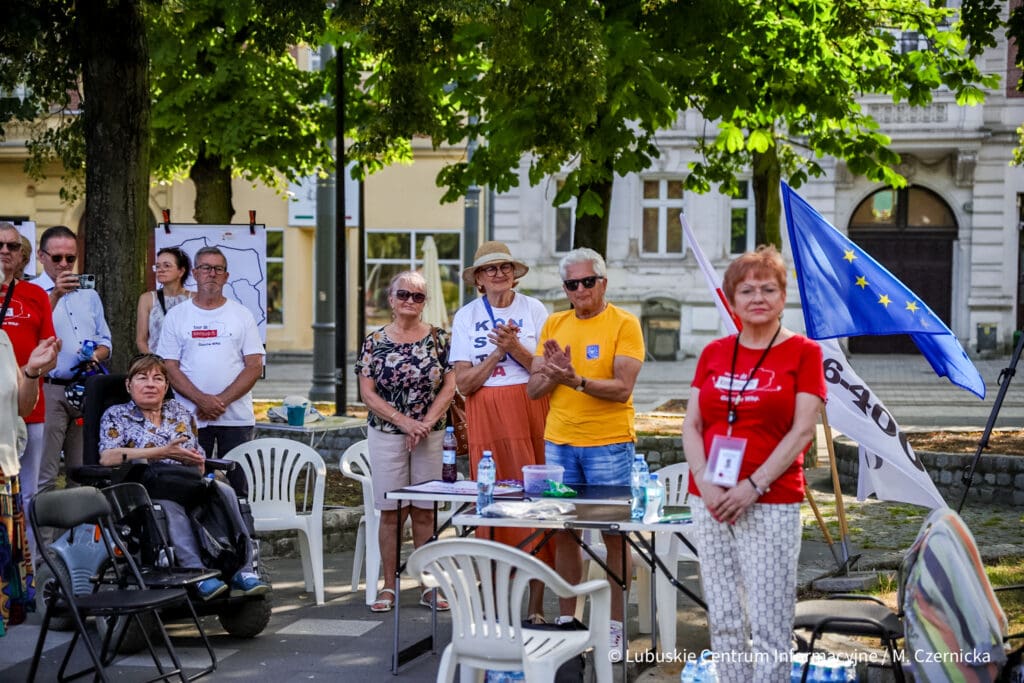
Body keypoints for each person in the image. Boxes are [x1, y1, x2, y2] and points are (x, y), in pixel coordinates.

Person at [681, 245, 826, 682]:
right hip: (709, 501)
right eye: (746, 290)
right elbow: (691, 425)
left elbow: (802, 431)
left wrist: (752, 486)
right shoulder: (713, 352)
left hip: (770, 501)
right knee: (724, 620)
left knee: (769, 625)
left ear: (783, 297)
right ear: (731, 300)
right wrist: (706, 483)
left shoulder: (804, 353)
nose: (757, 297)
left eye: (768, 289)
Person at [526, 247, 645, 649]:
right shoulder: (554, 323)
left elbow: (622, 388)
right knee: (564, 533)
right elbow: (533, 390)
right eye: (571, 284)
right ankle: (567, 621)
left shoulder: (624, 323)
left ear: (603, 283)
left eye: (587, 281)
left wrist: (576, 380)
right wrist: (554, 375)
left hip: (608, 445)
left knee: (614, 535)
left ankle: (614, 625)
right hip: (559, 444)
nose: (580, 290)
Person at [97, 353, 269, 599]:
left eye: (158, 378)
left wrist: (198, 463)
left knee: (226, 492)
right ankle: (197, 574)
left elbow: (196, 456)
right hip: (142, 487)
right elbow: (107, 457)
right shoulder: (116, 415)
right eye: (142, 378)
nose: (150, 384)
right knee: (170, 507)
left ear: (166, 386)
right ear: (129, 385)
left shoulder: (178, 412)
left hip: (185, 481)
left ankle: (244, 570)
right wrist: (161, 452)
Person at [449, 241, 554, 621]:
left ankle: (537, 606)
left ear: (514, 273)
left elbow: (545, 369)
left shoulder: (534, 309)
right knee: (492, 498)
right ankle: (495, 604)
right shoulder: (466, 316)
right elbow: (463, 383)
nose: (499, 274)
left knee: (535, 498)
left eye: (505, 267)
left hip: (530, 405)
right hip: (487, 412)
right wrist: (496, 353)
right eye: (490, 269)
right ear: (478, 278)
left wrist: (515, 347)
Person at [355, 271, 455, 613]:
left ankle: (428, 585)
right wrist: (405, 423)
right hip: (386, 434)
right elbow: (367, 393)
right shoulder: (374, 341)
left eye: (418, 296)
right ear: (390, 299)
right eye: (403, 294)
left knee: (425, 511)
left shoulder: (441, 339)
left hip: (431, 433)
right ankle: (389, 585)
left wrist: (423, 425)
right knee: (391, 513)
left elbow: (450, 386)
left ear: (425, 302)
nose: (410, 301)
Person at [0, 250, 59, 635]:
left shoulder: (5, 342)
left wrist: (33, 371)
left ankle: (22, 588)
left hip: (5, 462)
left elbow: (21, 405)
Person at [157, 246, 264, 458]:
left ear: (226, 276)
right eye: (205, 268)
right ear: (195, 273)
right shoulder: (176, 316)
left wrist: (219, 402)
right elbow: (169, 366)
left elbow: (254, 366)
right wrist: (201, 400)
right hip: (189, 416)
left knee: (238, 476)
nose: (212, 274)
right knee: (190, 476)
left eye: (218, 269)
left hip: (236, 419)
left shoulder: (242, 315)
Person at [32, 225, 112, 502]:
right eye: (57, 258)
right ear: (42, 256)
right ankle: (41, 530)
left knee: (81, 472)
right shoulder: (32, 292)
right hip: (48, 387)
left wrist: (95, 355)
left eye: (70, 258)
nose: (64, 264)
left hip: (83, 387)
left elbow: (105, 340)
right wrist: (55, 294)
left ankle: (76, 529)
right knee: (44, 472)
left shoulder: (89, 294)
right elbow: (32, 333)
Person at [136, 247, 192, 353]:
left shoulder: (193, 298)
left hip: (187, 360)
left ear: (181, 271)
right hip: (156, 360)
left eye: (167, 266)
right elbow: (141, 340)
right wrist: (153, 360)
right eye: (157, 266)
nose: (161, 270)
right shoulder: (147, 299)